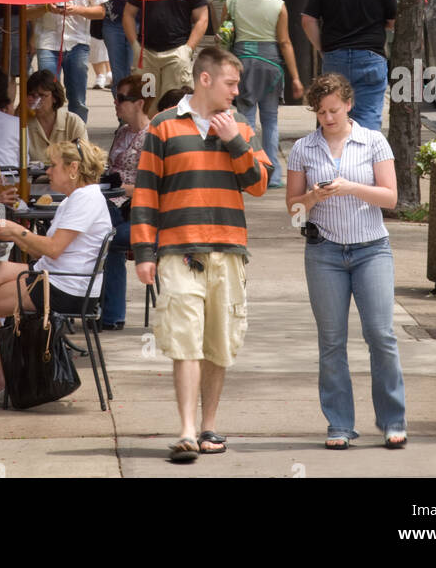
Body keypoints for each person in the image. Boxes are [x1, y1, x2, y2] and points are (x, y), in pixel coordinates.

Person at [131, 45, 270, 463]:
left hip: (228, 250)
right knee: (185, 339)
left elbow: (259, 183)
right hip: (177, 249)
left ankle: (208, 425)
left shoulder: (241, 127)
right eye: (231, 83)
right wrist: (143, 251)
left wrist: (233, 142)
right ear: (205, 79)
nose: (237, 91)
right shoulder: (163, 126)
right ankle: (187, 430)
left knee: (218, 343)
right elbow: (146, 191)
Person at [0, 139, 113, 404]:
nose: (48, 172)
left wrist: (15, 231)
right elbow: (41, 253)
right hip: (55, 276)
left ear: (73, 168)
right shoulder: (74, 199)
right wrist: (14, 235)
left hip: (67, 287)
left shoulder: (85, 199)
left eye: (53, 166)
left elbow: (52, 249)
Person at [286, 73, 407, 450]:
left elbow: (390, 198)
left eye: (334, 110)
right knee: (332, 341)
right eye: (321, 112)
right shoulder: (304, 148)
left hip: (371, 249)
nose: (328, 118)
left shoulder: (373, 141)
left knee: (381, 335)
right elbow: (292, 212)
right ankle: (339, 423)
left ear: (349, 105)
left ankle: (393, 420)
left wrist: (350, 187)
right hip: (324, 252)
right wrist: (313, 198)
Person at [220, 0, 304, 188]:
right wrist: (296, 77)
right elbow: (285, 42)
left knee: (245, 120)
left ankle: (247, 173)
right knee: (271, 121)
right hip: (271, 65)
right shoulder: (278, 6)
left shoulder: (233, 0)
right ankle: (273, 176)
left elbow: (225, 31)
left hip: (242, 63)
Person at [300, 0, 397, 132]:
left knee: (333, 115)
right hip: (371, 57)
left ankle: (336, 158)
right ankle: (366, 159)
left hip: (335, 56)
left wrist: (322, 48)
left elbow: (308, 20)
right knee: (369, 116)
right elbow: (393, 21)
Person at [101, 74, 154, 329]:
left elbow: (155, 188)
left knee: (106, 238)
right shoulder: (121, 131)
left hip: (141, 216)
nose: (116, 102)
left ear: (139, 103)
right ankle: (93, 305)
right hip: (114, 207)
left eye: (121, 98)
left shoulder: (152, 136)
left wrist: (122, 188)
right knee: (94, 228)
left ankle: (110, 314)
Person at [30, 0, 106, 123]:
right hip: (47, 43)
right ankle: (47, 137)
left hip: (78, 43)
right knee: (46, 94)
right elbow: (26, 12)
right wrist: (46, 8)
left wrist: (78, 10)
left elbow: (101, 12)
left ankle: (78, 138)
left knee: (77, 98)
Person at [122, 0, 209, 99]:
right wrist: (135, 46)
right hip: (147, 55)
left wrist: (187, 50)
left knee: (174, 107)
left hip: (177, 53)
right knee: (145, 106)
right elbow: (128, 13)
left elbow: (202, 18)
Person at [25, 69, 87, 163]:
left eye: (42, 96)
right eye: (32, 96)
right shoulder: (22, 124)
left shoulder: (73, 122)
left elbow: (84, 159)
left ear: (54, 97)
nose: (36, 101)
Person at [102, 0, 132, 100]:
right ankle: (122, 113)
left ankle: (134, 113)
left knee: (133, 73)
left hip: (137, 20)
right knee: (118, 75)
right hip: (112, 21)